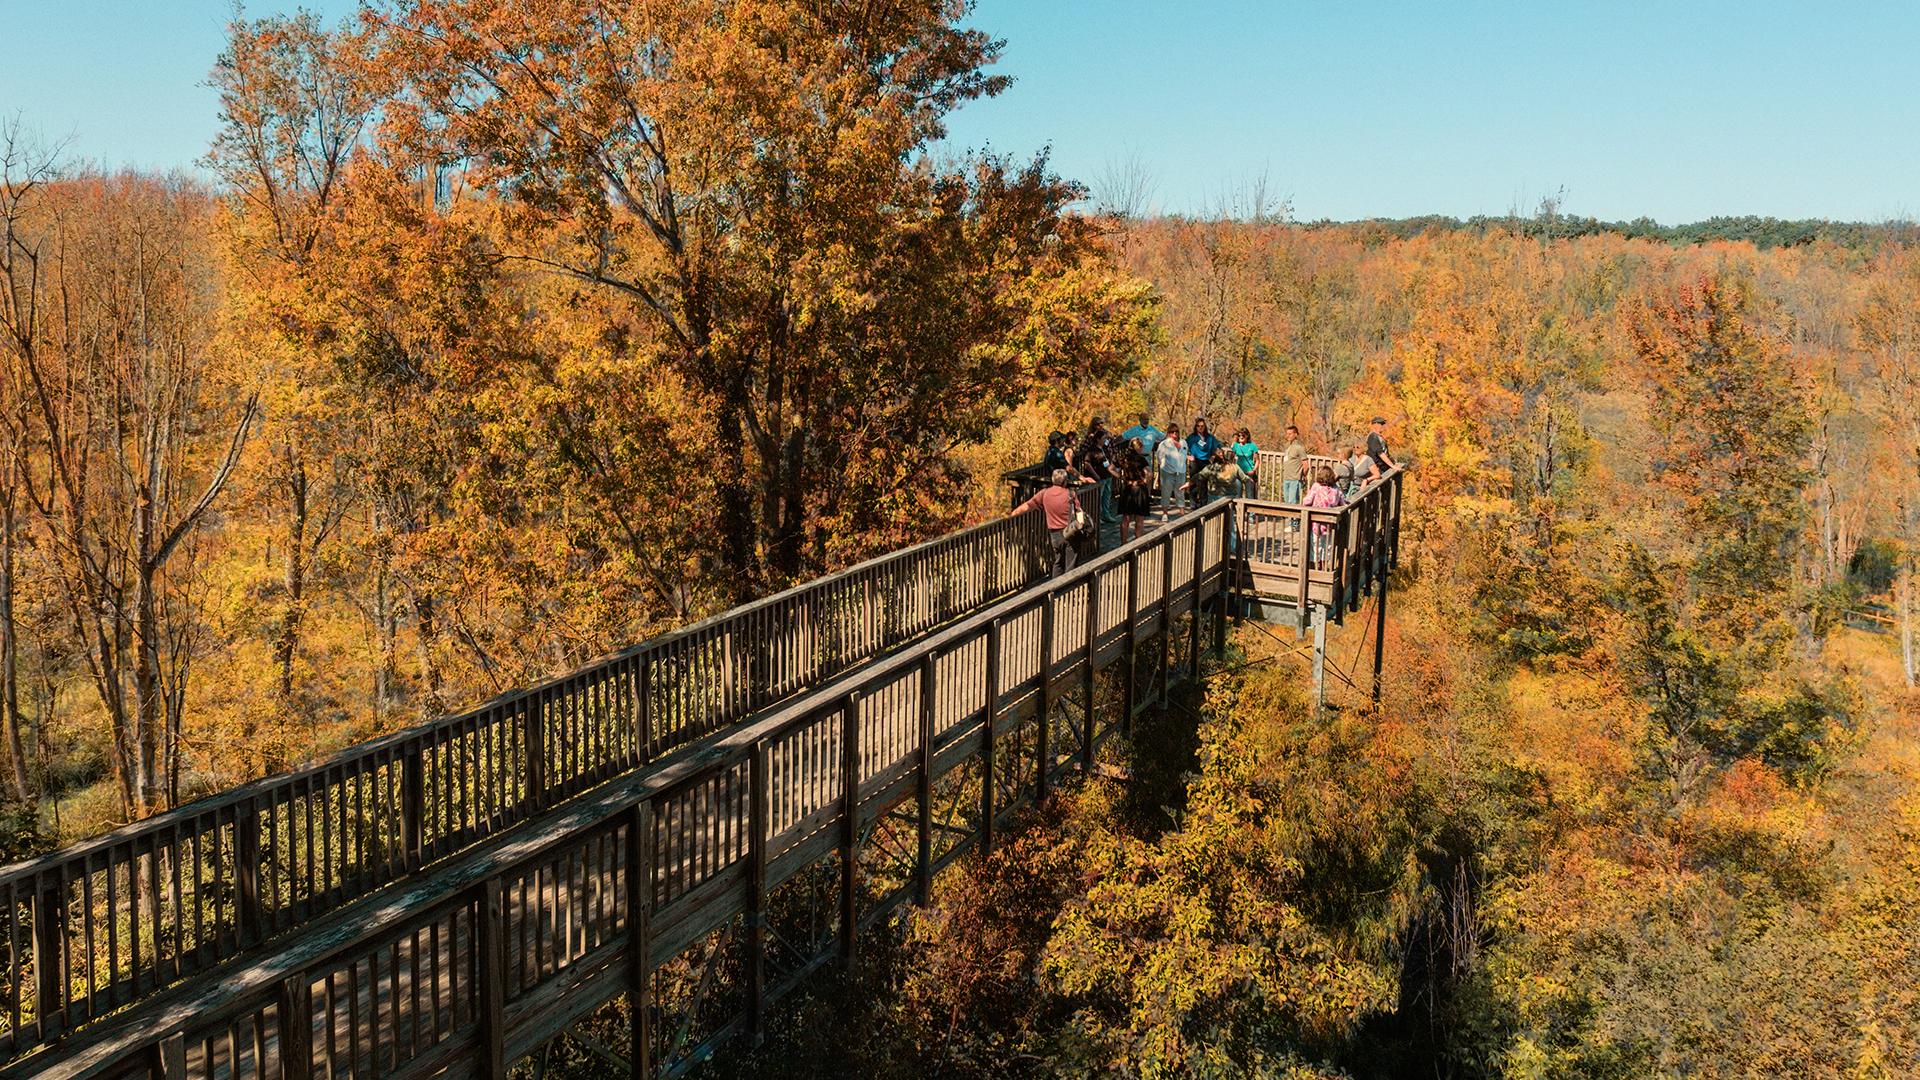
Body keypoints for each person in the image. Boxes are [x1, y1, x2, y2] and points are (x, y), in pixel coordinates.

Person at [1010, 468, 1085, 576]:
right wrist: (1081, 526)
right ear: (1065, 481)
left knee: (1058, 562)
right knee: (1071, 564)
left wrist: (1013, 513)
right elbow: (1079, 511)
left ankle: (1055, 588)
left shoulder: (1044, 493)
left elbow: (1028, 506)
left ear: (1052, 480)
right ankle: (1069, 590)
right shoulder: (1070, 494)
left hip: (1055, 534)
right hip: (1071, 532)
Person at [1301, 464, 1347, 566]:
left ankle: (1315, 566)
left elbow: (1307, 501)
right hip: (1330, 522)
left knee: (1315, 544)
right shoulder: (1336, 488)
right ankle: (1325, 565)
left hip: (1316, 522)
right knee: (1328, 545)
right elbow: (1343, 503)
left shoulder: (1316, 487)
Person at [1114, 439, 1154, 541]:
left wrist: (1120, 477)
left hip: (1127, 488)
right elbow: (1149, 473)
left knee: (1126, 518)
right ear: (1138, 447)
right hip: (1139, 488)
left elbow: (1110, 468)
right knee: (1139, 518)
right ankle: (1137, 542)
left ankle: (1123, 543)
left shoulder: (1123, 458)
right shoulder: (1141, 459)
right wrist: (1144, 481)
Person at [1155, 422, 1188, 518]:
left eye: (1176, 432)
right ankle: (1165, 513)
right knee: (1166, 492)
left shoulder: (1183, 442)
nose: (1174, 434)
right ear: (1168, 433)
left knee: (1180, 493)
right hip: (1167, 472)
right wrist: (1164, 466)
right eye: (1172, 432)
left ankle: (1182, 513)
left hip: (1181, 471)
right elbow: (1159, 457)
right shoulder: (1164, 444)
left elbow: (1184, 454)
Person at [1186, 418, 1221, 505]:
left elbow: (1218, 447)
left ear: (1205, 427)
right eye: (1198, 426)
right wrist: (1187, 456)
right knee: (1193, 483)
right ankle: (1193, 504)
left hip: (1206, 462)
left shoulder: (1210, 438)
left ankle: (1203, 504)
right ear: (1196, 427)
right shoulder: (1192, 437)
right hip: (1195, 461)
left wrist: (1213, 456)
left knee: (1204, 483)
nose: (1200, 428)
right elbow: (1183, 447)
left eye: (1202, 426)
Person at [1279, 423, 1307, 504]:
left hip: (1295, 479)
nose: (1288, 436)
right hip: (1286, 478)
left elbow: (1306, 465)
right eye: (1287, 434)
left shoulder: (1300, 448)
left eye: (1290, 434)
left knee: (1292, 502)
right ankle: (1288, 517)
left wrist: (1303, 476)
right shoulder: (1287, 447)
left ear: (1296, 434)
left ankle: (1293, 517)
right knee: (1287, 502)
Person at [1231, 427, 1260, 493]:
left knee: (1249, 494)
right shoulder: (1236, 445)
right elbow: (1231, 459)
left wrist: (1253, 470)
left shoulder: (1252, 445)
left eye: (1243, 435)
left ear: (1247, 436)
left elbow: (1257, 460)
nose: (1241, 437)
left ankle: (1249, 504)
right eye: (1239, 435)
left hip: (1249, 473)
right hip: (1238, 472)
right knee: (1237, 494)